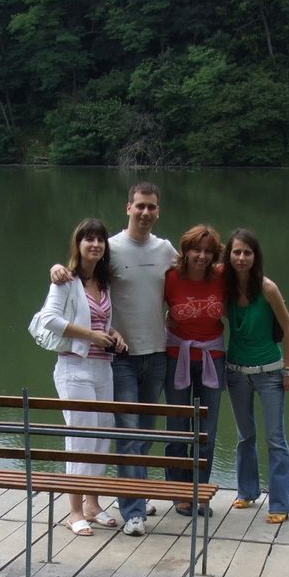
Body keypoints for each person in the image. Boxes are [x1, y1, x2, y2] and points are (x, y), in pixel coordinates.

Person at [53, 182, 177, 536]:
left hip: (157, 354)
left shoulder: (165, 249)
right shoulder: (111, 248)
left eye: (152, 207)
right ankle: (133, 511)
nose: (145, 212)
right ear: (128, 207)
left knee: (143, 434)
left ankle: (132, 491)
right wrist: (57, 268)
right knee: (127, 434)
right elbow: (80, 272)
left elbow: (197, 270)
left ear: (158, 211)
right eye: (140, 206)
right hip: (119, 358)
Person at [37, 218, 126, 535]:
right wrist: (90, 335)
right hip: (75, 368)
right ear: (78, 244)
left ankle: (93, 503)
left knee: (102, 436)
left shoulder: (103, 283)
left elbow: (101, 322)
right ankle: (74, 511)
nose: (95, 244)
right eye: (89, 239)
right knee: (80, 438)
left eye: (100, 239)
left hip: (103, 368)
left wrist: (113, 334)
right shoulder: (66, 280)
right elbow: (49, 319)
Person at [223, 228, 289, 524]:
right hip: (236, 372)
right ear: (229, 255)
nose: (241, 258)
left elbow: (288, 328)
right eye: (236, 252)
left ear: (256, 256)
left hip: (270, 373)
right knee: (245, 437)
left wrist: (288, 369)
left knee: (276, 439)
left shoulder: (268, 288)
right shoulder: (225, 287)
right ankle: (247, 491)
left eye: (247, 252)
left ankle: (280, 503)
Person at [162, 223, 227, 515]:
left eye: (208, 251)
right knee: (177, 428)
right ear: (185, 251)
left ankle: (199, 492)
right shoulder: (170, 278)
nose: (202, 256)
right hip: (177, 357)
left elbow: (253, 282)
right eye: (196, 250)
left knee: (206, 432)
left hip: (213, 358)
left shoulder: (222, 277)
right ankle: (179, 493)